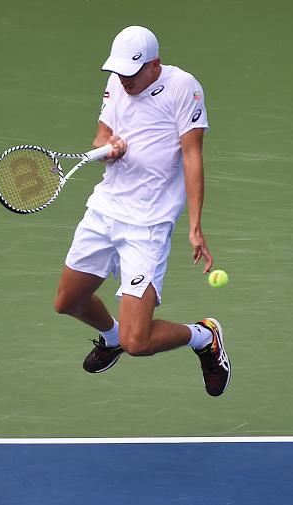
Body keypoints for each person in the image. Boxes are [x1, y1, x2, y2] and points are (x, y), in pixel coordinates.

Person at [53, 26, 231, 397]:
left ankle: (204, 337)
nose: (125, 80)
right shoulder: (118, 83)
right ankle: (111, 337)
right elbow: (101, 134)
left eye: (132, 73)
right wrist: (108, 146)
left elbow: (191, 155)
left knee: (140, 341)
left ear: (155, 65)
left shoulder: (183, 87)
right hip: (105, 210)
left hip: (147, 225)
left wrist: (195, 225)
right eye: (119, 72)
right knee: (68, 302)